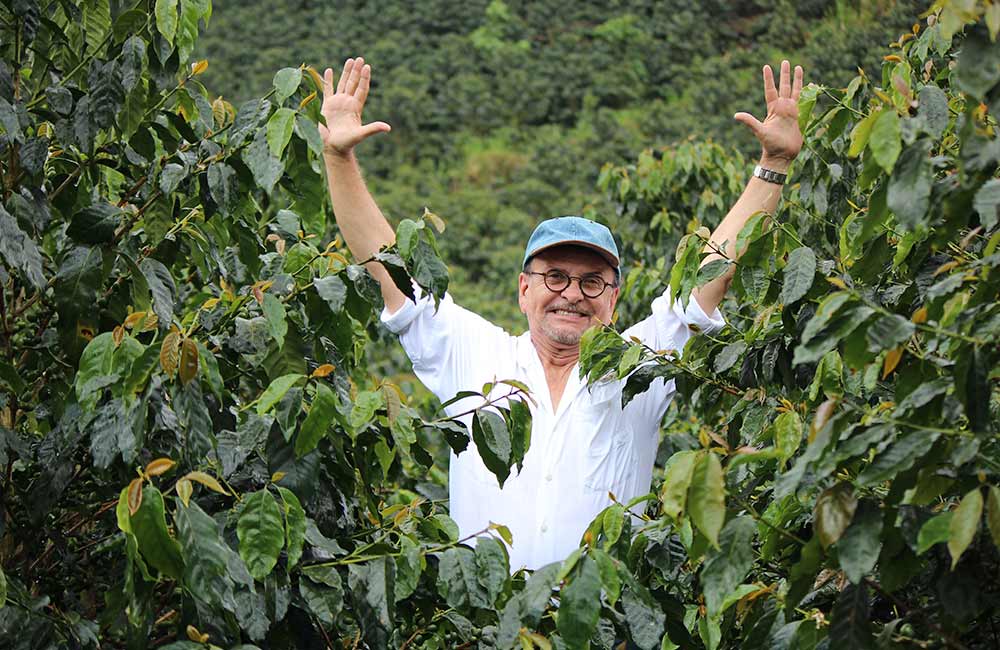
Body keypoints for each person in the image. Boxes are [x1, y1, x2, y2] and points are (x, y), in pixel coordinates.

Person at [318, 57, 804, 570]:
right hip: (479, 629)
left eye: (592, 281)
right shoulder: (474, 355)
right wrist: (338, 159)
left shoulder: (640, 366)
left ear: (613, 299)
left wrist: (772, 166)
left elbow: (709, 276)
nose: (572, 293)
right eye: (555, 277)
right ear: (524, 289)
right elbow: (391, 268)